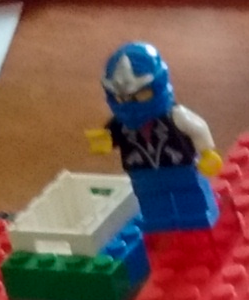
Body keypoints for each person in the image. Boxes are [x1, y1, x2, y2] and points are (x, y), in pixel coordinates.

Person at [90, 43, 222, 234]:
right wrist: (103, 142)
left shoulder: (176, 116)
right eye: (121, 98)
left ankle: (199, 224)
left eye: (142, 94)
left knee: (190, 196)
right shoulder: (120, 124)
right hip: (142, 174)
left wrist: (207, 153)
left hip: (180, 169)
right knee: (152, 201)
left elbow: (198, 128)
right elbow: (109, 139)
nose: (131, 104)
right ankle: (161, 229)